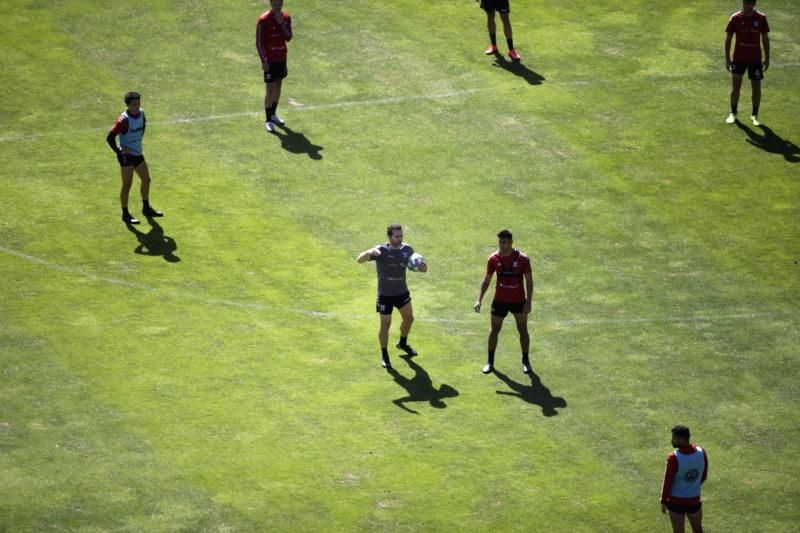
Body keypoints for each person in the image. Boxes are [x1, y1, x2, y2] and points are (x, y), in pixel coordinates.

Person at [356, 224, 427, 370]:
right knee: (386, 324)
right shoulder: (380, 251)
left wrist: (422, 267)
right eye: (397, 236)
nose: (400, 239)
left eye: (401, 235)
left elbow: (419, 267)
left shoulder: (407, 249)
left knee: (409, 319)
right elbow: (359, 260)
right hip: (385, 295)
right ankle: (385, 354)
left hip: (401, 292)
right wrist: (370, 251)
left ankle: (402, 343)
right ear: (389, 237)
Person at [474, 229, 533, 374]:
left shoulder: (523, 259)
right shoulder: (493, 259)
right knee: (494, 330)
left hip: (518, 300)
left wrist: (528, 302)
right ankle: (490, 362)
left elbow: (529, 282)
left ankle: (526, 361)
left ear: (511, 242)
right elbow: (486, 280)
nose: (501, 245)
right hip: (499, 300)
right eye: (500, 242)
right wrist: (479, 299)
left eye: (504, 242)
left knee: (523, 330)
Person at [106, 91, 163, 225]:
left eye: (138, 103)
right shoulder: (123, 120)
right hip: (126, 157)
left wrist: (136, 141)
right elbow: (109, 138)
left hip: (137, 153)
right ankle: (125, 214)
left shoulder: (141, 114)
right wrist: (119, 150)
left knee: (146, 180)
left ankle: (146, 208)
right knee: (127, 185)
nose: (137, 106)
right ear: (128, 105)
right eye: (134, 104)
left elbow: (142, 126)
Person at [725, 0, 770, 126]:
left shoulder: (761, 18)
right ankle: (733, 113)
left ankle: (754, 115)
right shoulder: (735, 18)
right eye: (745, 2)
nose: (746, 5)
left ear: (754, 4)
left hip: (755, 60)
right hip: (738, 59)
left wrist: (767, 57)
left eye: (749, 3)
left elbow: (765, 38)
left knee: (756, 88)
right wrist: (727, 58)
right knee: (736, 86)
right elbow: (728, 38)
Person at [660, 425, 709, 533]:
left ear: (680, 439)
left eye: (673, 437)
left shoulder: (673, 457)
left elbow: (667, 482)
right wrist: (692, 487)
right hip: (694, 500)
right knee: (698, 530)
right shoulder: (701, 452)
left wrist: (663, 501)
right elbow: (703, 476)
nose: (672, 440)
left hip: (675, 502)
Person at [256, 0, 293, 133]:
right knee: (270, 89)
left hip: (281, 58)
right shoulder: (263, 19)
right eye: (275, 4)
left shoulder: (286, 18)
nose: (277, 7)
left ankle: (273, 114)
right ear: (271, 4)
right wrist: (264, 61)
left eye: (280, 4)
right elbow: (259, 42)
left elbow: (288, 37)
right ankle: (268, 120)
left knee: (278, 86)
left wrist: (281, 24)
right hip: (269, 61)